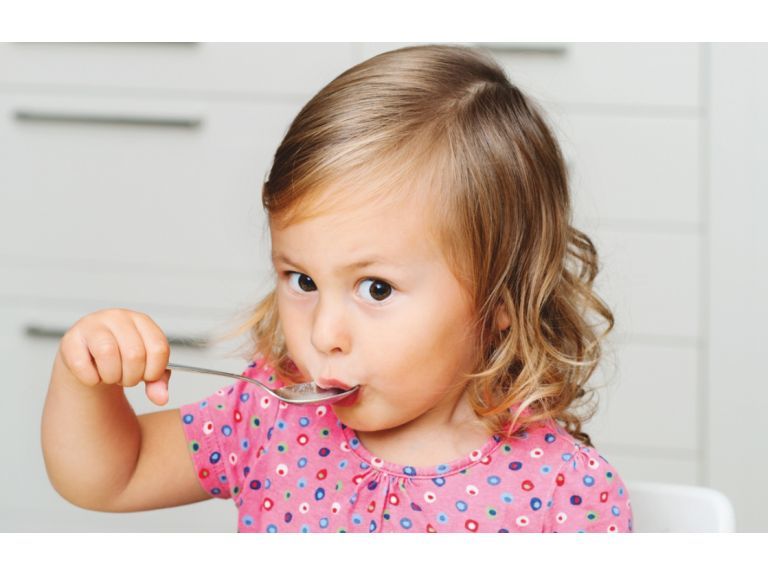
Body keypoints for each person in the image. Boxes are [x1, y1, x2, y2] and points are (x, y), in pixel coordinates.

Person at [41, 44, 632, 532]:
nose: (323, 333)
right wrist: (83, 375)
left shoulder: (565, 494)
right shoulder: (268, 415)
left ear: (500, 301)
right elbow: (114, 475)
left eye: (375, 289)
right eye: (302, 281)